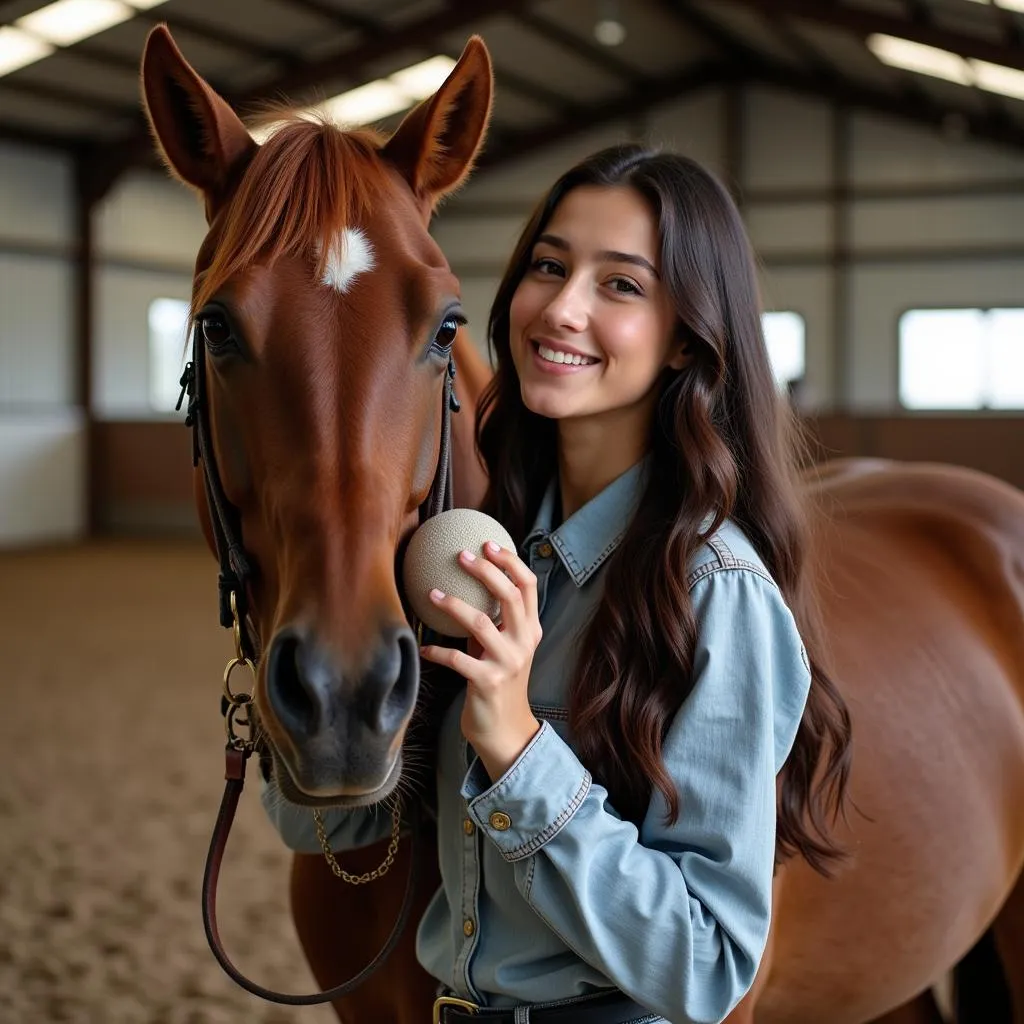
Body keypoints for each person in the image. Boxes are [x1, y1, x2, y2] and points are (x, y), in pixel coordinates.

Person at [262, 144, 852, 1024]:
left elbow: (710, 966)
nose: (561, 308)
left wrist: (518, 747)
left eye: (620, 285)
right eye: (549, 266)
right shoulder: (481, 554)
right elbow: (335, 831)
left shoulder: (716, 590)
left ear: (687, 332)